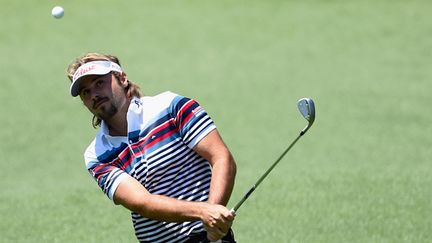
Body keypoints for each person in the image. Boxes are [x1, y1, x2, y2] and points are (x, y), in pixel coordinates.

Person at [66, 52, 237, 243]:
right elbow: (142, 203)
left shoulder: (171, 107)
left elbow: (221, 157)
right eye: (85, 92)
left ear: (122, 78)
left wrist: (213, 222)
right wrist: (204, 212)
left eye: (99, 83)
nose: (94, 95)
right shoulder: (96, 155)